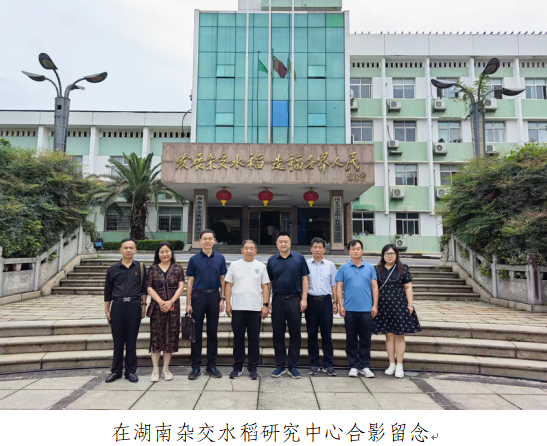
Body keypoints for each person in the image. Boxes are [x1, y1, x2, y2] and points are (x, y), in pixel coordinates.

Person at [373, 244, 421, 378]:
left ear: (396, 255)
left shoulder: (403, 268)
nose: (389, 256)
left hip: (400, 305)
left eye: (392, 253)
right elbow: (374, 288)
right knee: (388, 336)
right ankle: (391, 364)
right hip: (383, 306)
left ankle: (400, 365)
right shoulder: (377, 269)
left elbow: (408, 287)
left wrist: (410, 304)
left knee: (399, 335)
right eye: (387, 254)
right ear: (383, 255)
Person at [225, 240, 270, 380]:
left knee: (254, 339)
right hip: (238, 308)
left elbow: (265, 287)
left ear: (256, 251)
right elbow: (228, 285)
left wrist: (265, 305)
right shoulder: (234, 265)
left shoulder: (261, 266)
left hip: (255, 308)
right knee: (238, 339)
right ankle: (237, 367)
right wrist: (228, 303)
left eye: (252, 248)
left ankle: (253, 367)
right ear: (242, 250)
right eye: (246, 248)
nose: (249, 251)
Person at [266, 231, 310, 379]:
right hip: (278, 300)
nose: (283, 244)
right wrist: (267, 301)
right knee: (278, 333)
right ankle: (280, 365)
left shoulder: (299, 258)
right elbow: (268, 283)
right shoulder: (272, 260)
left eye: (286, 241)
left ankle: (293, 366)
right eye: (281, 241)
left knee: (295, 333)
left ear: (290, 243)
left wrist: (304, 299)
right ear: (276, 244)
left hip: (295, 299)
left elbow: (305, 279)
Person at [104, 238, 147, 383]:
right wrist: (107, 310)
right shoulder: (113, 269)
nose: (128, 250)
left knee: (131, 340)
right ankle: (116, 371)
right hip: (117, 306)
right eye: (125, 248)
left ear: (135, 250)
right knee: (117, 340)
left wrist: (143, 306)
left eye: (131, 248)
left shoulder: (140, 268)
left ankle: (130, 371)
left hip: (134, 306)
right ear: (120, 250)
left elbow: (144, 289)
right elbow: (107, 291)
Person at [186, 229, 227, 380]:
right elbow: (190, 282)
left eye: (210, 238)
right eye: (205, 239)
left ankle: (211, 365)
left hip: (214, 296)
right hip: (198, 296)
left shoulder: (220, 258)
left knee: (212, 332)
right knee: (196, 333)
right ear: (200, 241)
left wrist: (222, 299)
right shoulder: (194, 259)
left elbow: (223, 279)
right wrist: (188, 303)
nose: (208, 241)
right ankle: (195, 366)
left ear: (214, 240)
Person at [336, 239, 378, 378]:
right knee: (351, 339)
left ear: (362, 251)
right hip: (349, 309)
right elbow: (339, 287)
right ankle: (353, 365)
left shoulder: (370, 268)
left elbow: (374, 287)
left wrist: (375, 305)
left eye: (358, 249)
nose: (356, 251)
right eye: (353, 249)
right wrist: (340, 304)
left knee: (366, 339)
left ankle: (365, 366)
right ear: (349, 252)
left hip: (366, 309)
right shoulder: (343, 268)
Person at [146, 242, 185, 382]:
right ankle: (155, 370)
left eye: (167, 251)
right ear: (158, 254)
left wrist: (170, 302)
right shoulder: (152, 269)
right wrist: (161, 302)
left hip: (173, 308)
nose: (164, 254)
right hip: (157, 308)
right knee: (156, 337)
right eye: (162, 252)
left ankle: (166, 369)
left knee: (170, 337)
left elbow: (181, 286)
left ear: (171, 253)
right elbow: (149, 287)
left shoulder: (178, 268)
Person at [305, 237, 338, 376]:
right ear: (311, 249)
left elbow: (334, 285)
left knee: (327, 334)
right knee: (312, 333)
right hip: (311, 302)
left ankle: (328, 364)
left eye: (320, 247)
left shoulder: (330, 265)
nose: (317, 249)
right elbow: (303, 283)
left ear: (324, 250)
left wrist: (335, 302)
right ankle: (314, 363)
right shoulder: (305, 264)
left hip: (326, 302)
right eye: (315, 247)